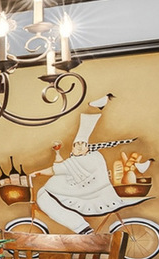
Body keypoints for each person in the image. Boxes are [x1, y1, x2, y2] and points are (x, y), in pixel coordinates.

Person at [31, 94, 138, 233]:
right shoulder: (79, 160)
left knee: (44, 197)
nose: (80, 147)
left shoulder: (91, 158)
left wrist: (37, 172)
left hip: (87, 194)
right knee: (47, 195)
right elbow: (62, 168)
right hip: (81, 191)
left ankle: (82, 228)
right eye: (76, 145)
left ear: (88, 147)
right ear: (72, 148)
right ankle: (81, 227)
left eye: (83, 144)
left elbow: (56, 169)